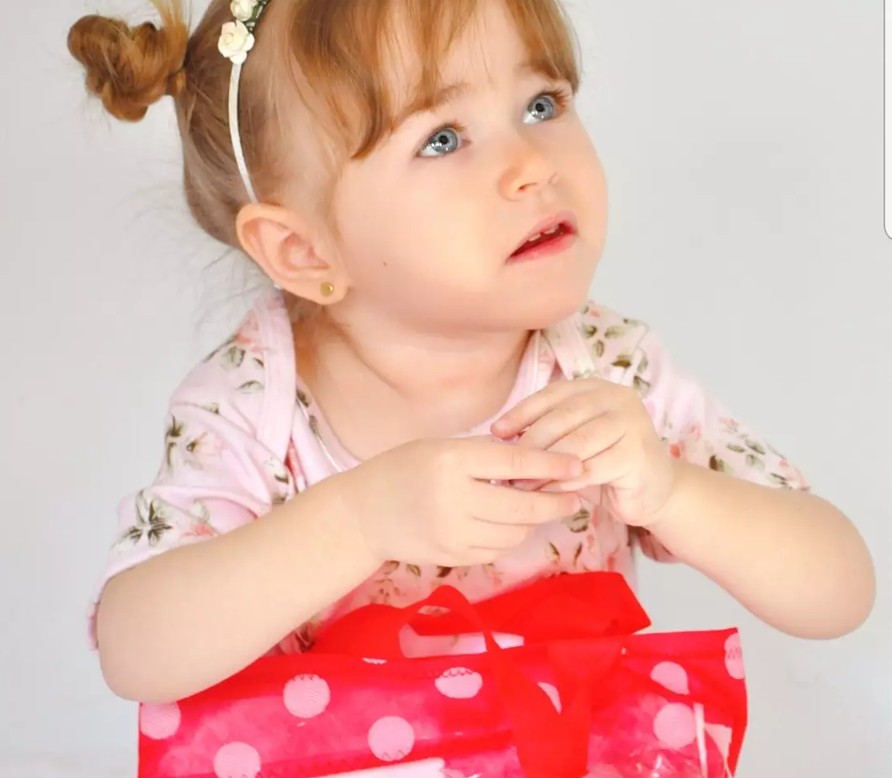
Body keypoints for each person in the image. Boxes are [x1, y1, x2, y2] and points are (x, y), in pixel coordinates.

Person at [67, 0, 874, 705]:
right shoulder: (252, 403)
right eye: (444, 138)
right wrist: (357, 518)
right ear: (304, 251)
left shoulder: (604, 367)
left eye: (541, 103)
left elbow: (840, 589)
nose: (532, 165)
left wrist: (672, 493)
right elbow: (138, 652)